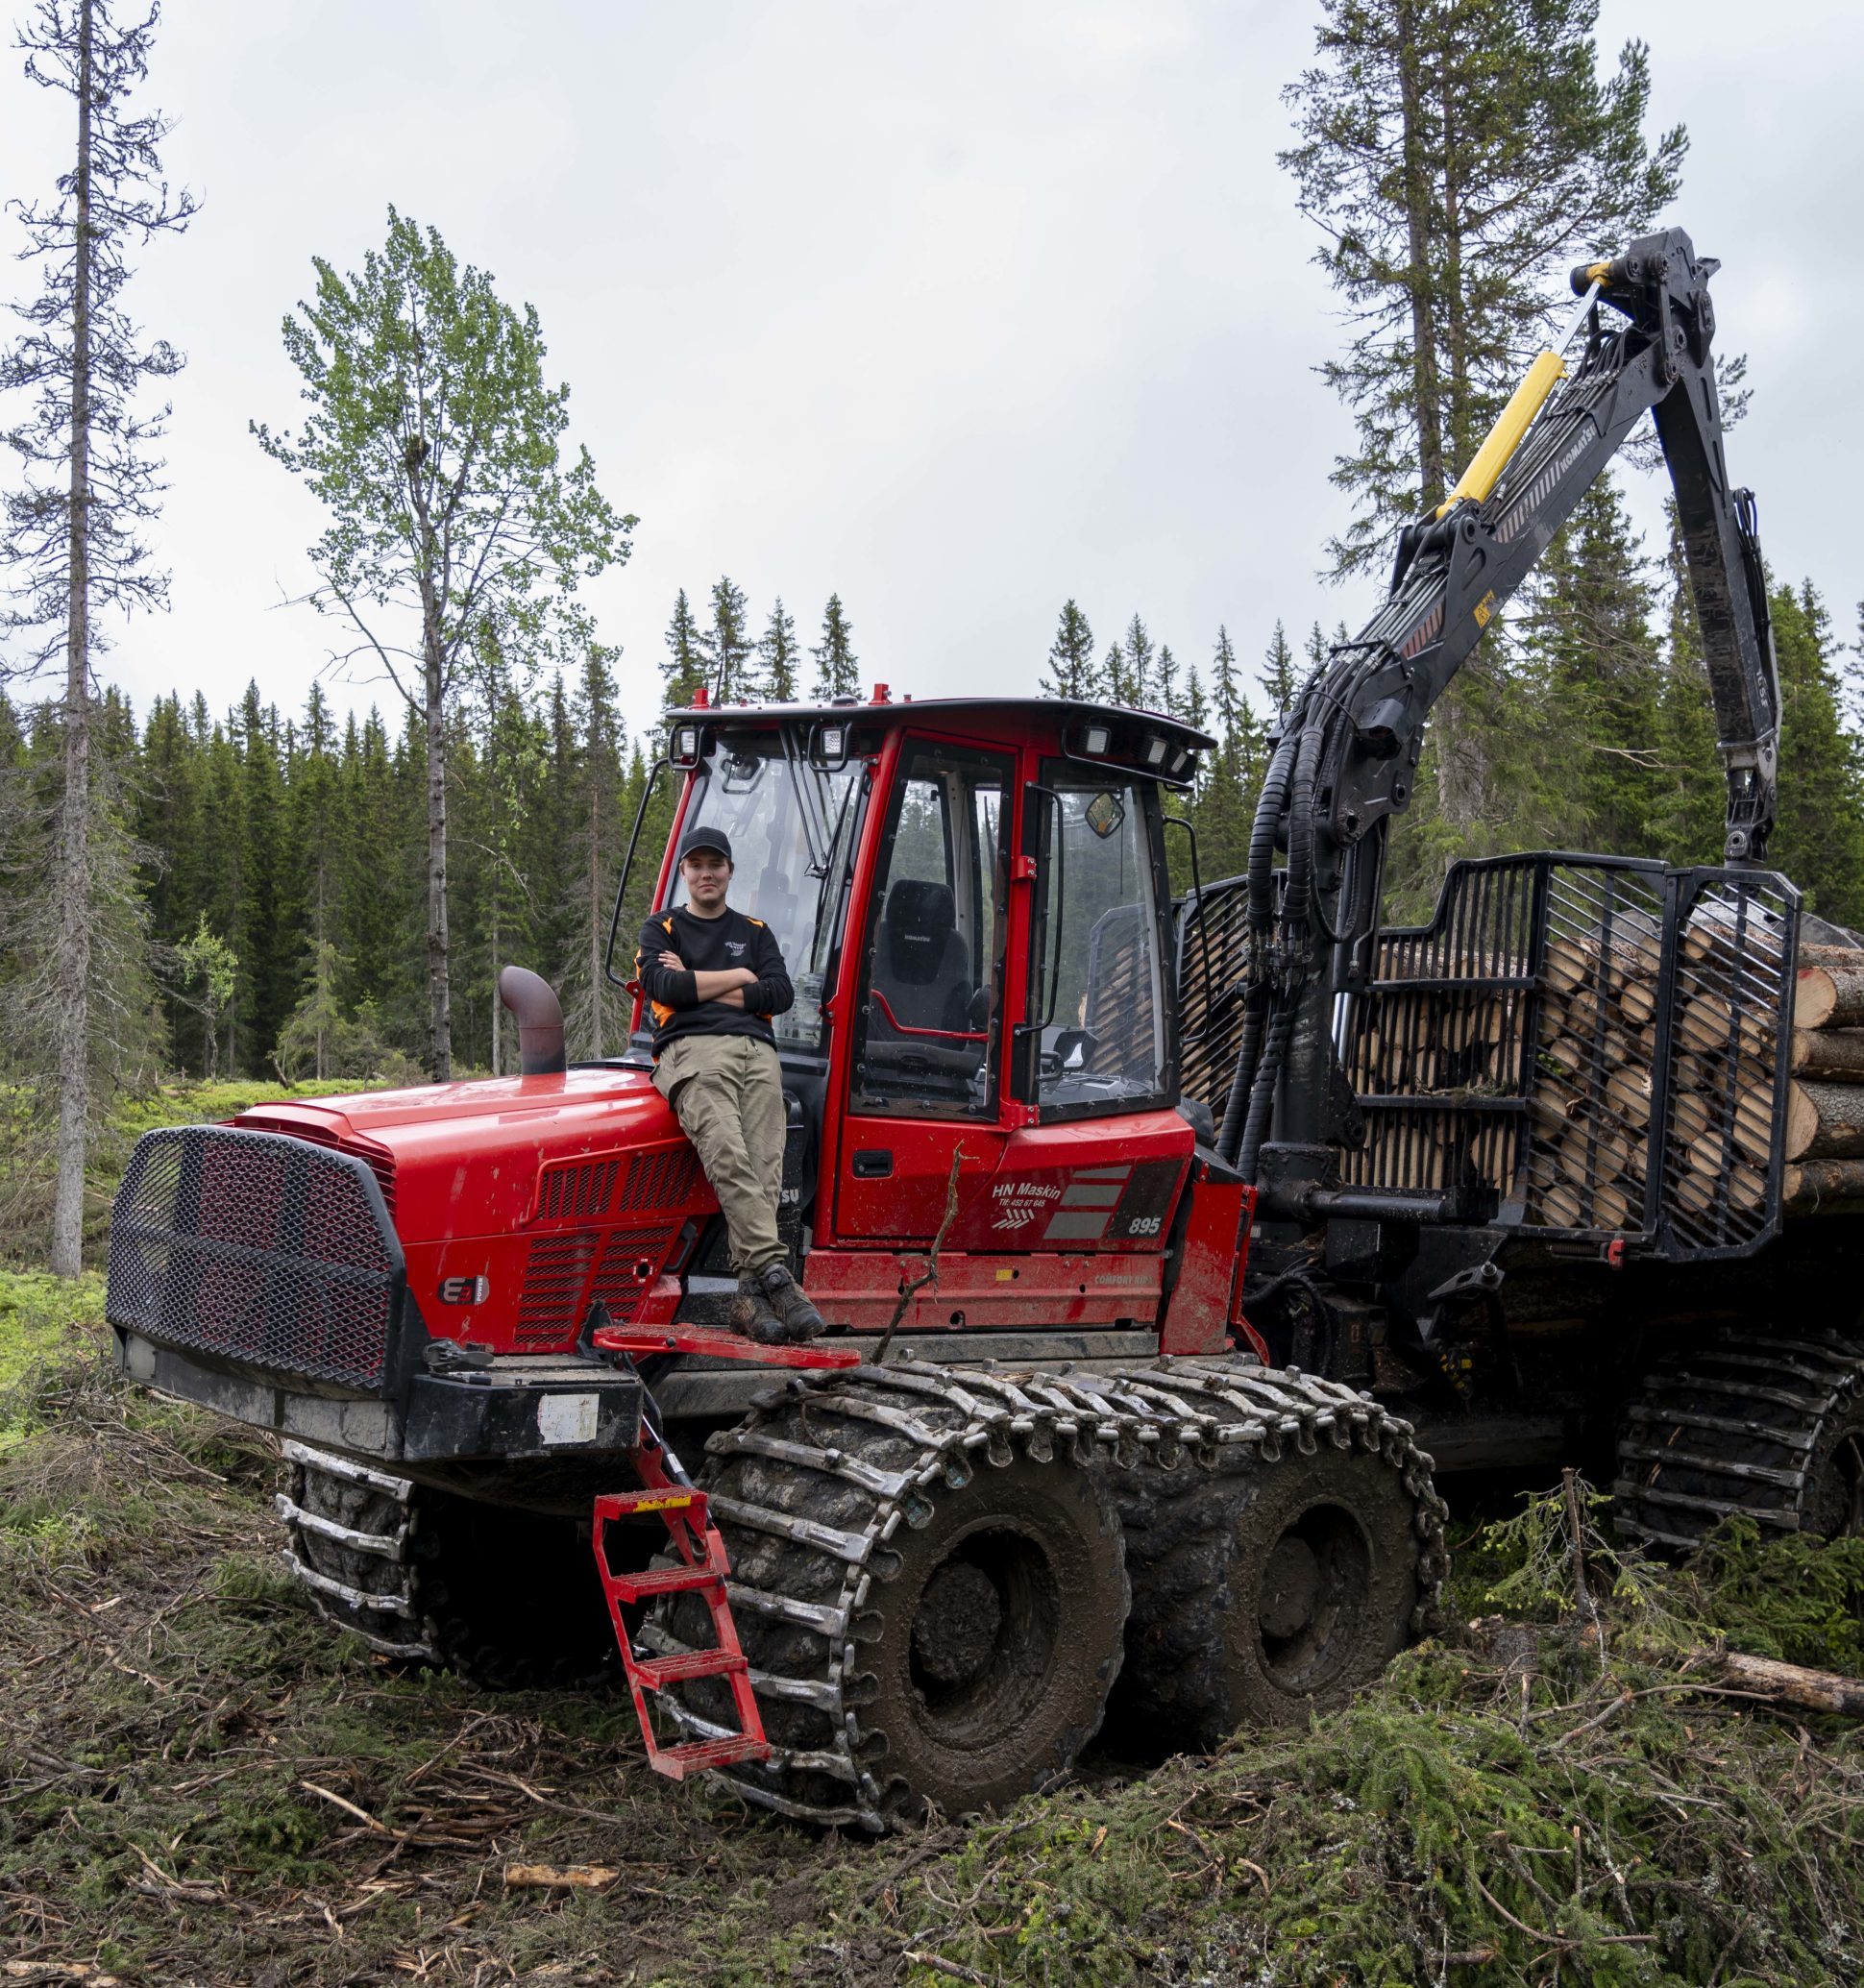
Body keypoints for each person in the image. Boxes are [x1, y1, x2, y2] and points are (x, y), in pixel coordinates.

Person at [635, 827, 825, 1344]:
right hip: (692, 1051)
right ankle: (777, 1277)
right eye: (696, 865)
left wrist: (701, 982)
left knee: (764, 1168)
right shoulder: (661, 928)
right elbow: (666, 987)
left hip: (758, 1054)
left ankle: (747, 1296)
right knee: (726, 1150)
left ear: (729, 871)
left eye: (715, 864)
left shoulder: (756, 930)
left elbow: (780, 993)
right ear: (684, 873)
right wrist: (741, 976)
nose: (706, 873)